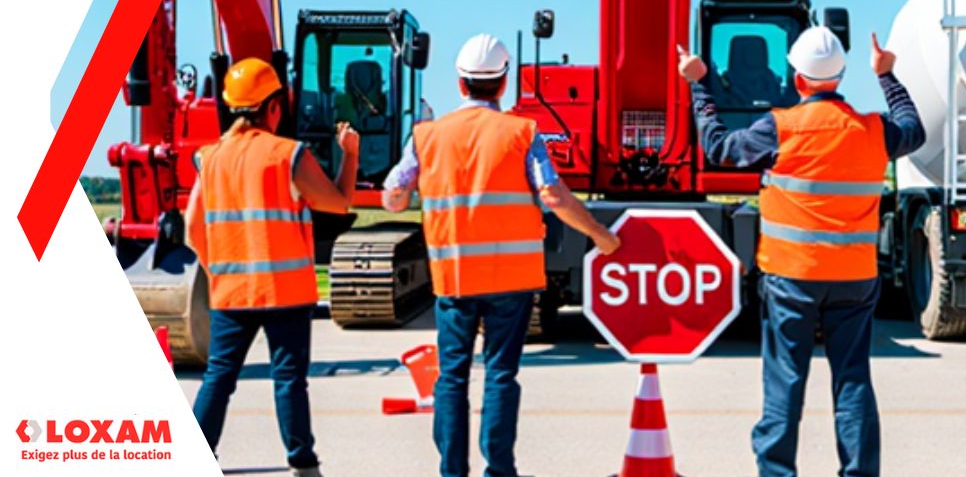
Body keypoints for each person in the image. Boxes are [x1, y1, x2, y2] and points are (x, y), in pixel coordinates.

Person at [679, 28, 925, 477]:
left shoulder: (780, 128)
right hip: (854, 279)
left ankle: (777, 472)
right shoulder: (874, 131)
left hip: (791, 279)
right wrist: (888, 77)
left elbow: (717, 148)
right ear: (840, 76)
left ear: (798, 80)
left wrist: (700, 84)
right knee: (852, 380)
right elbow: (914, 129)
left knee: (785, 381)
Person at [382, 34, 621, 477]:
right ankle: (500, 469)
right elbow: (552, 193)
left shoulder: (426, 137)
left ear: (460, 84)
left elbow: (393, 195)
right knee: (500, 375)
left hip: (454, 281)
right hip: (511, 281)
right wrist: (600, 235)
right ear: (503, 83)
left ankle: (452, 471)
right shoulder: (522, 133)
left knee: (452, 377)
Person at [185, 58, 361, 477]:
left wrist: (217, 273)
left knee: (219, 378)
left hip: (231, 293)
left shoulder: (209, 159)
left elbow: (194, 228)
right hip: (286, 292)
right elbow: (338, 202)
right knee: (288, 380)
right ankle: (303, 465)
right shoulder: (288, 154)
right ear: (274, 107)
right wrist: (349, 155)